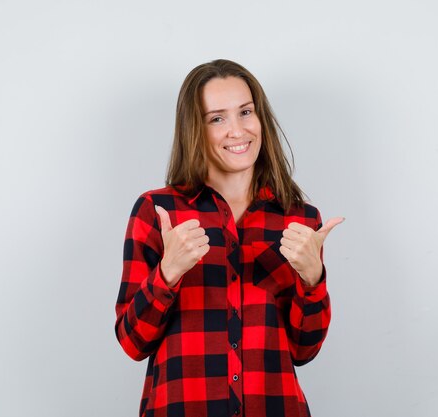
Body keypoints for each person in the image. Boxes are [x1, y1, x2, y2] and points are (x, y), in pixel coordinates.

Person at [115, 59, 344, 417]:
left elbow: (304, 350)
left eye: (245, 112)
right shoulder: (158, 212)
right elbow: (133, 342)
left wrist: (313, 280)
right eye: (217, 118)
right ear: (196, 129)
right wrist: (168, 273)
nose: (237, 130)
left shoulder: (299, 218)